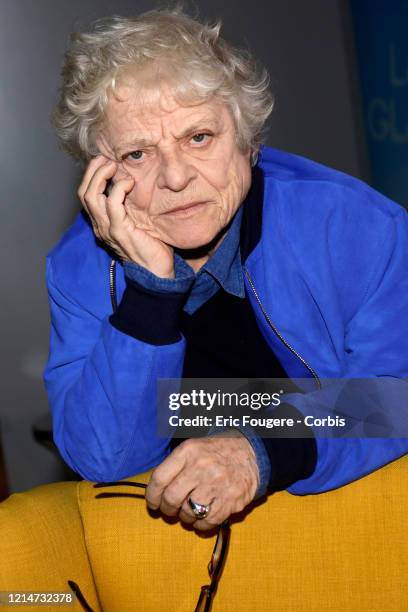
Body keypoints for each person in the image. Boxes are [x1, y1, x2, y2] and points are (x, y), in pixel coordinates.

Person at [45, 7, 408, 532]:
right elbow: (101, 457)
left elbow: (396, 397)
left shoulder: (353, 224)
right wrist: (150, 294)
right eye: (138, 154)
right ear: (101, 174)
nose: (174, 178)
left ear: (247, 137)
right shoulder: (78, 268)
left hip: (356, 523)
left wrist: (255, 448)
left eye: (199, 138)